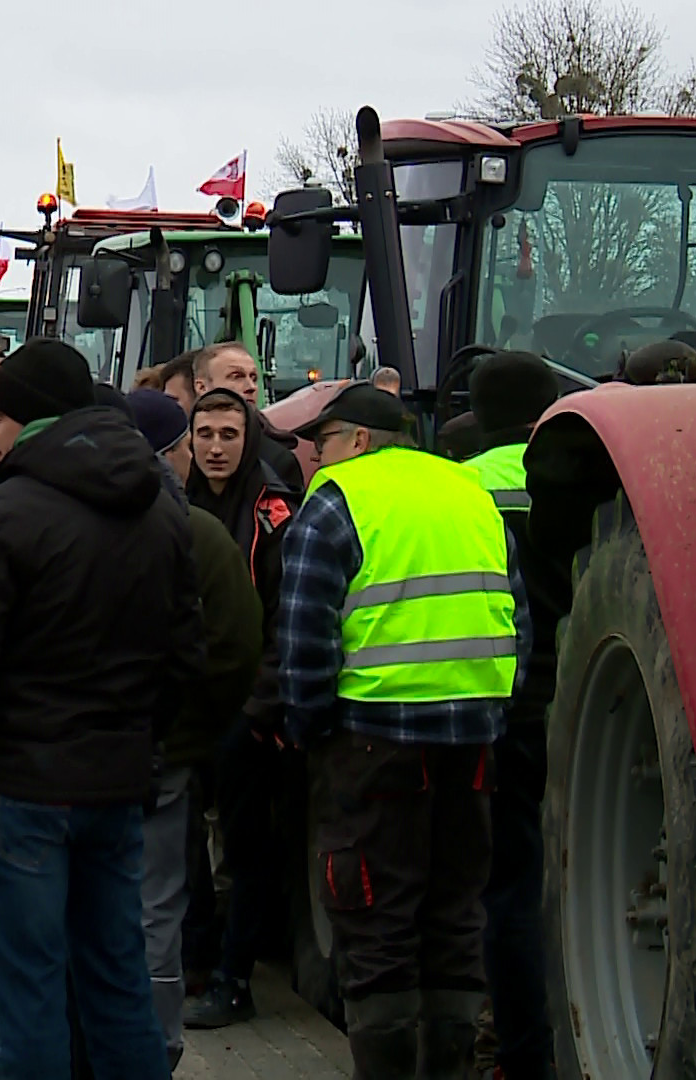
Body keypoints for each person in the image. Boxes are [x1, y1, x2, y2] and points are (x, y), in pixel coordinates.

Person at [0, 340, 207, 1078]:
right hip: (114, 789)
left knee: (29, 1003)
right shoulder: (161, 510)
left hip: (14, 790)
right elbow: (185, 659)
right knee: (118, 990)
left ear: (36, 420)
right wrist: (144, 751)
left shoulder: (4, 514)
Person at [276, 383, 531, 1078]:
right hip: (473, 737)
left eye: (321, 440)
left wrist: (306, 725)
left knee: (374, 916)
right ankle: (445, 1066)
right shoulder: (468, 491)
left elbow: (304, 632)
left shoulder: (338, 498)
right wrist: (492, 712)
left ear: (358, 439)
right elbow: (516, 617)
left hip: (371, 742)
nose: (313, 455)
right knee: (453, 913)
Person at [118, 387, 263, 1069]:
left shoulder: (54, 517)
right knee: (156, 906)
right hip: (163, 756)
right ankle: (155, 1044)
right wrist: (192, 732)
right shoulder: (196, 532)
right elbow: (236, 647)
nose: (205, 452)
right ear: (170, 453)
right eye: (191, 440)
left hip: (72, 754)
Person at [182, 388, 300, 1029]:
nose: (216, 448)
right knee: (181, 841)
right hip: (188, 704)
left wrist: (262, 708)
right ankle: (195, 957)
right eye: (205, 435)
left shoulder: (273, 511)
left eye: (229, 435)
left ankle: (235, 978)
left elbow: (290, 615)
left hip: (250, 711)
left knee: (249, 851)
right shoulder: (178, 505)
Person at [464, 353, 563, 1080]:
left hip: (501, 709)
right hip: (594, 697)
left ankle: (518, 1052)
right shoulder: (587, 477)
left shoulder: (460, 490)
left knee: (504, 886)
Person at [189, 343, 305, 491]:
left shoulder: (278, 460)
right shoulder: (179, 454)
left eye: (254, 377)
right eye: (236, 377)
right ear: (201, 387)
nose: (251, 387)